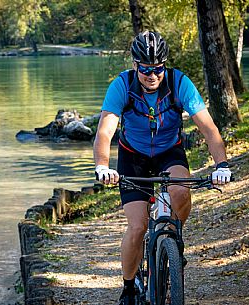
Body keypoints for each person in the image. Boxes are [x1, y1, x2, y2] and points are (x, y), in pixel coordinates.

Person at [93, 30, 232, 305]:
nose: (152, 75)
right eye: (145, 69)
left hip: (170, 151)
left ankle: (173, 239)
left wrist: (222, 165)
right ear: (136, 65)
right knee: (137, 226)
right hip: (133, 156)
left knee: (181, 193)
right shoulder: (122, 86)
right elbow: (105, 133)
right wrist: (102, 166)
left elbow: (209, 129)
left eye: (157, 69)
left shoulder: (179, 82)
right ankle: (129, 287)